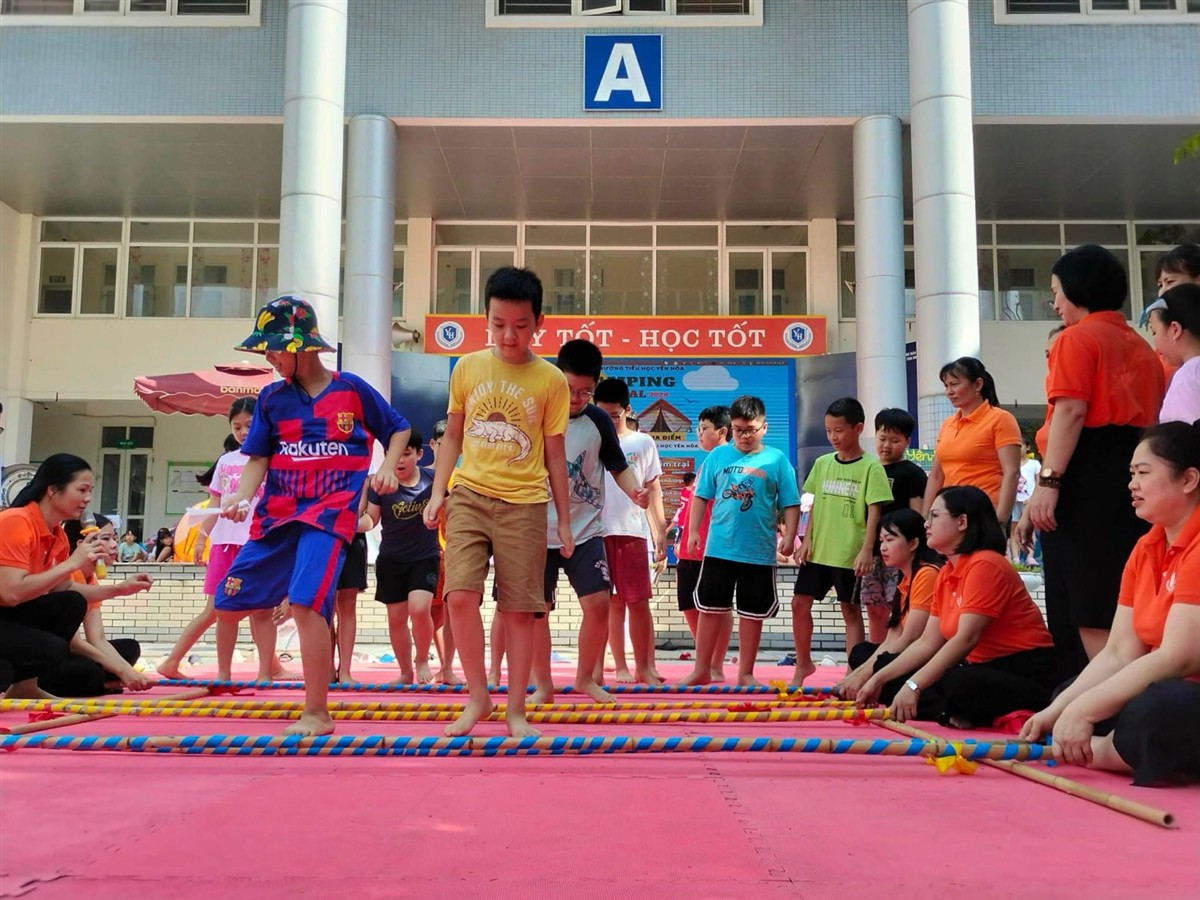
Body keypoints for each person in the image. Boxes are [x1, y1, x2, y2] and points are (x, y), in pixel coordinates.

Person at [216, 295, 410, 737]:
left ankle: (317, 711)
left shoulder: (351, 389)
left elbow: (398, 428)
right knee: (227, 600)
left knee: (306, 602)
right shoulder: (271, 399)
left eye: (273, 348)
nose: (268, 357)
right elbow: (258, 458)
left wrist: (385, 466)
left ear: (299, 346)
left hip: (329, 516)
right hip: (277, 516)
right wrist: (242, 496)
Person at [422, 267, 572, 738]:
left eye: (521, 325)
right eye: (498, 324)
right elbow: (452, 435)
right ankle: (477, 697)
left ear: (539, 322)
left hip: (525, 503)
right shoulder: (467, 367)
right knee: (459, 595)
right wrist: (437, 492)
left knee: (519, 609)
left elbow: (555, 454)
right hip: (468, 494)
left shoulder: (551, 380)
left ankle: (516, 711)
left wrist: (565, 521)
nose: (509, 336)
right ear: (485, 319)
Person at [1020, 422, 1200, 785]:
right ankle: (1118, 749)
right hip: (1167, 687)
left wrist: (1085, 711)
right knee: (1066, 695)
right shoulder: (1146, 547)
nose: (1132, 484)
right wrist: (1061, 710)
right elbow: (1119, 651)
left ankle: (1102, 752)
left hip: (1183, 692)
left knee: (1159, 710)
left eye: (1143, 473)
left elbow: (1179, 658)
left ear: (1188, 479)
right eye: (1131, 474)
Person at [1017, 245, 1164, 676]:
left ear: (1077, 289)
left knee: (1084, 597)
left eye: (1056, 293)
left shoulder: (1076, 339)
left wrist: (1049, 482)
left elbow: (1070, 412)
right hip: (1131, 471)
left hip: (1084, 475)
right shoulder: (1142, 347)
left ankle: (1100, 696)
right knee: (1116, 590)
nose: (1055, 304)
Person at [857, 486, 1057, 728]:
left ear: (962, 522)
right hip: (980, 667)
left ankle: (955, 709)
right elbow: (927, 642)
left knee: (956, 683)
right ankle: (950, 710)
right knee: (890, 672)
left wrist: (914, 685)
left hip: (1022, 669)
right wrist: (876, 678)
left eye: (934, 516)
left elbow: (966, 639)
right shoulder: (946, 572)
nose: (926, 524)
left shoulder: (985, 564)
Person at [532, 339, 648, 705]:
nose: (577, 398)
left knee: (598, 603)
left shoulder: (598, 420)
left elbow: (618, 466)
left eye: (585, 392)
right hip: (537, 530)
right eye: (570, 389)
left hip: (585, 531)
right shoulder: (537, 413)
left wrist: (635, 491)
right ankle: (543, 685)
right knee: (537, 610)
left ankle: (585, 678)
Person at [157, 398, 290, 681]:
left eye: (249, 425)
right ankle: (181, 663)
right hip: (224, 545)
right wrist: (201, 539)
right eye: (237, 427)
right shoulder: (226, 462)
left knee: (261, 609)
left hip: (258, 543)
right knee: (217, 610)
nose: (243, 432)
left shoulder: (274, 459)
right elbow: (214, 504)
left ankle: (269, 669)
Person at [0, 454, 153, 699]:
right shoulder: (16, 521)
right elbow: (11, 593)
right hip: (7, 613)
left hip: (13, 617)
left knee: (72, 603)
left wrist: (120, 589)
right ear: (52, 490)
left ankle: (25, 686)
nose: (87, 499)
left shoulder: (57, 536)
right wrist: (72, 563)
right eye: (81, 490)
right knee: (55, 652)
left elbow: (66, 589)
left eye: (90, 491)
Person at [681, 395, 800, 687]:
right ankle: (702, 669)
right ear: (730, 429)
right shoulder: (717, 457)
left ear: (764, 427)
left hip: (757, 551)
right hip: (719, 548)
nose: (744, 436)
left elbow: (791, 502)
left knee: (752, 614)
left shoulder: (776, 460)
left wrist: (789, 536)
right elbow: (701, 496)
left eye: (751, 430)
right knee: (710, 609)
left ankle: (745, 673)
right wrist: (693, 532)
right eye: (738, 430)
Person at [791, 397, 892, 687]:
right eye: (828, 431)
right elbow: (814, 505)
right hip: (818, 551)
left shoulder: (871, 468)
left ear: (857, 428)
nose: (833, 437)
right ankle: (803, 663)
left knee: (850, 611)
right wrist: (805, 539)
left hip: (850, 553)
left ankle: (851, 672)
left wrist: (867, 549)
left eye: (839, 430)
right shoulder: (822, 463)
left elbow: (875, 512)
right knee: (799, 603)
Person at [593, 377, 668, 686]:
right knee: (606, 603)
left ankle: (644, 667)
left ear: (627, 410)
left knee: (638, 601)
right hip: (596, 531)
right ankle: (613, 667)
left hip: (633, 532)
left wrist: (660, 531)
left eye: (614, 415)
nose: (609, 421)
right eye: (602, 414)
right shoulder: (590, 439)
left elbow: (654, 489)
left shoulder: (642, 443)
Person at [834, 509, 941, 701]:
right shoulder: (905, 577)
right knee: (861, 652)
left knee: (881, 663)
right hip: (910, 654)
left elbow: (910, 639)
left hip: (926, 660)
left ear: (914, 543)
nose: (883, 548)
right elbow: (892, 637)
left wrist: (866, 677)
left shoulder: (927, 575)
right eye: (881, 541)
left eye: (890, 540)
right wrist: (856, 676)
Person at [43, 514, 151, 696]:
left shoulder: (90, 579)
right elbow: (74, 644)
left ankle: (101, 681)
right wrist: (122, 671)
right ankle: (100, 682)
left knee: (129, 648)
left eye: (114, 538)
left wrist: (127, 671)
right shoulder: (65, 577)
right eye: (106, 539)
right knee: (88, 671)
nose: (114, 545)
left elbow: (97, 638)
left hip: (67, 652)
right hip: (46, 654)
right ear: (83, 545)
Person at [368, 428, 441, 684]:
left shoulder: (433, 480)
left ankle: (422, 660)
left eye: (406, 454)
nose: (400, 460)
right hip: (391, 559)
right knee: (396, 617)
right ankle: (405, 671)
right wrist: (350, 525)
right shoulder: (379, 483)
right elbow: (371, 519)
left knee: (420, 609)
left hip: (424, 557)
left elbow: (450, 508)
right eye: (394, 453)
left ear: (419, 454)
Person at [922, 357, 1023, 526]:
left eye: (954, 384)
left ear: (977, 384)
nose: (949, 392)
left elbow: (1011, 473)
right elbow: (936, 476)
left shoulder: (1001, 419)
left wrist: (1000, 521)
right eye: (946, 386)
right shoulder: (947, 424)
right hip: (949, 515)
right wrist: (925, 517)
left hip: (984, 514)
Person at [675, 405, 733, 680]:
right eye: (697, 429)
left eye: (704, 428)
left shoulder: (729, 460)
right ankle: (704, 660)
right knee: (688, 603)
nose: (699, 433)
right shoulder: (706, 463)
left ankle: (715, 665)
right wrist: (684, 536)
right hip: (690, 547)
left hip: (713, 546)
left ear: (722, 431)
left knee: (717, 606)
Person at [861, 408, 929, 644]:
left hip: (900, 555)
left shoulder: (913, 474)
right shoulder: (869, 468)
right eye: (882, 438)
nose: (886, 445)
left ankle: (897, 652)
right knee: (873, 608)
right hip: (872, 553)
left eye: (894, 440)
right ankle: (875, 651)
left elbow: (916, 517)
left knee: (899, 607)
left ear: (907, 441)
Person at [428, 418, 460, 685]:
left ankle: (448, 666)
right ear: (432, 445)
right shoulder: (421, 476)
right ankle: (428, 664)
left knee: (452, 610)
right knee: (429, 611)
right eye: (443, 443)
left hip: (454, 550)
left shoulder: (462, 477)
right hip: (425, 552)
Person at [330, 487, 372, 684]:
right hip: (323, 535)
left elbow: (361, 506)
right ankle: (327, 668)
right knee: (325, 607)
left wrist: (346, 521)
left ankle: (345, 670)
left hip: (351, 536)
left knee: (347, 606)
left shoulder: (363, 473)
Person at [1146, 284, 1200, 425]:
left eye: (1154, 332)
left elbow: (1186, 436)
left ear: (1175, 330)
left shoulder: (1187, 379)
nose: (1155, 341)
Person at [1009, 441, 1041, 565]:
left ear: (1027, 447)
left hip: (1028, 502)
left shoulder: (1034, 464)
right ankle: (1015, 557)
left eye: (1021, 446)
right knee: (1014, 528)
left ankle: (1030, 557)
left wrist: (1033, 498)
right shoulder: (1011, 464)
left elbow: (1039, 482)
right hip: (1015, 501)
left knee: (1029, 528)